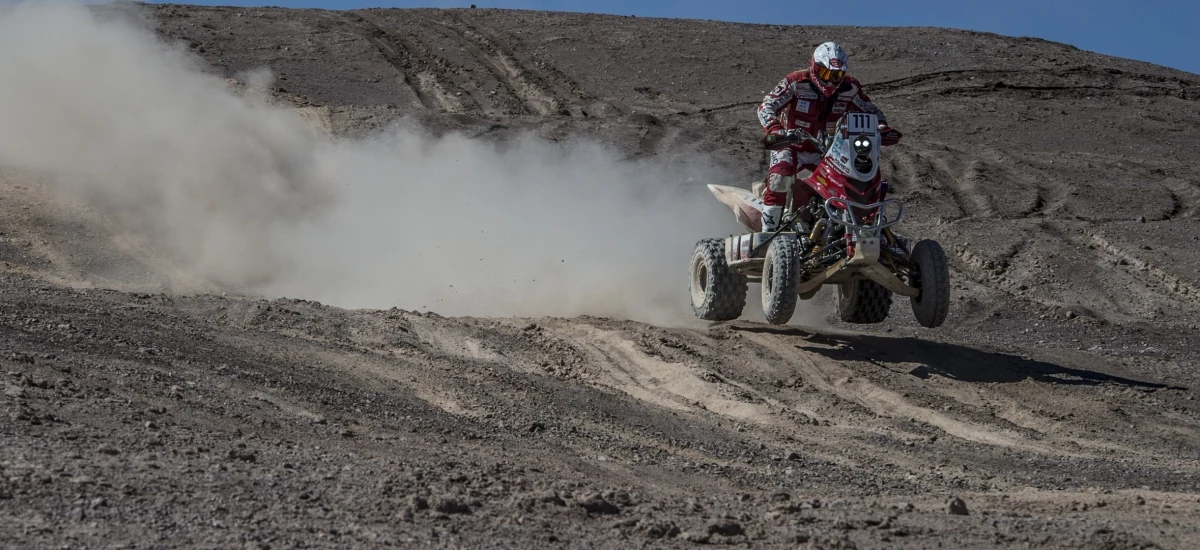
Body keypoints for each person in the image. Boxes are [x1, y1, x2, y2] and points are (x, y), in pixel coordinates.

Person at [756, 41, 903, 232]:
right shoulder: (796, 82)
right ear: (814, 67)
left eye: (837, 75)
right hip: (791, 144)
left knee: (849, 183)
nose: (831, 81)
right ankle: (768, 232)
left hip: (827, 149)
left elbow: (872, 111)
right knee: (780, 178)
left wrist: (881, 127)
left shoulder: (850, 88)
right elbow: (766, 106)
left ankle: (849, 229)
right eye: (826, 74)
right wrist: (775, 129)